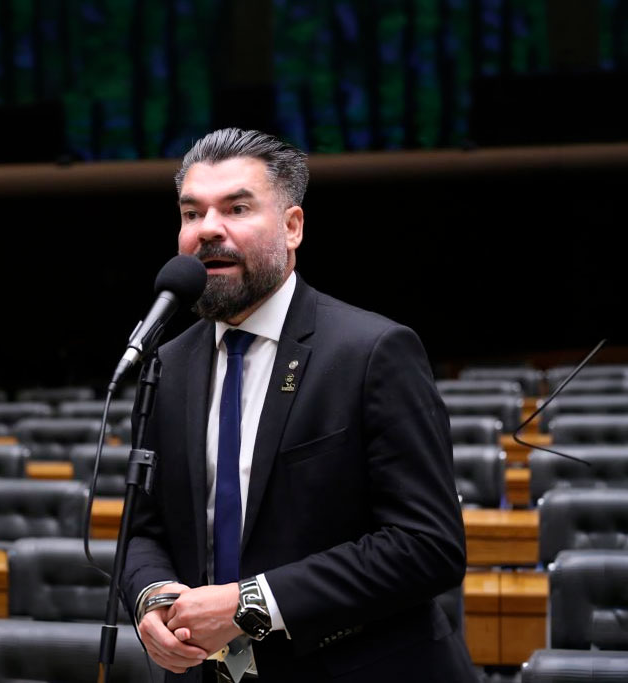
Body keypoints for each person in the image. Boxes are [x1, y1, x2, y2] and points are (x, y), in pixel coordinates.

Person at [122, 128, 475, 682]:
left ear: (293, 227)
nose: (209, 229)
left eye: (236, 208)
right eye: (192, 214)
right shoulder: (167, 363)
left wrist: (249, 605)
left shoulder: (373, 352)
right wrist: (152, 598)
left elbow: (427, 546)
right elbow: (143, 530)